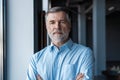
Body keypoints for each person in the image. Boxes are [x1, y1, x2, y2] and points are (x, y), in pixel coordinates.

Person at [26, 6, 94, 80]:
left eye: (62, 22)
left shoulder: (85, 54)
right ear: (46, 26)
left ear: (69, 25)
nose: (57, 27)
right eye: (52, 22)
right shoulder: (36, 59)